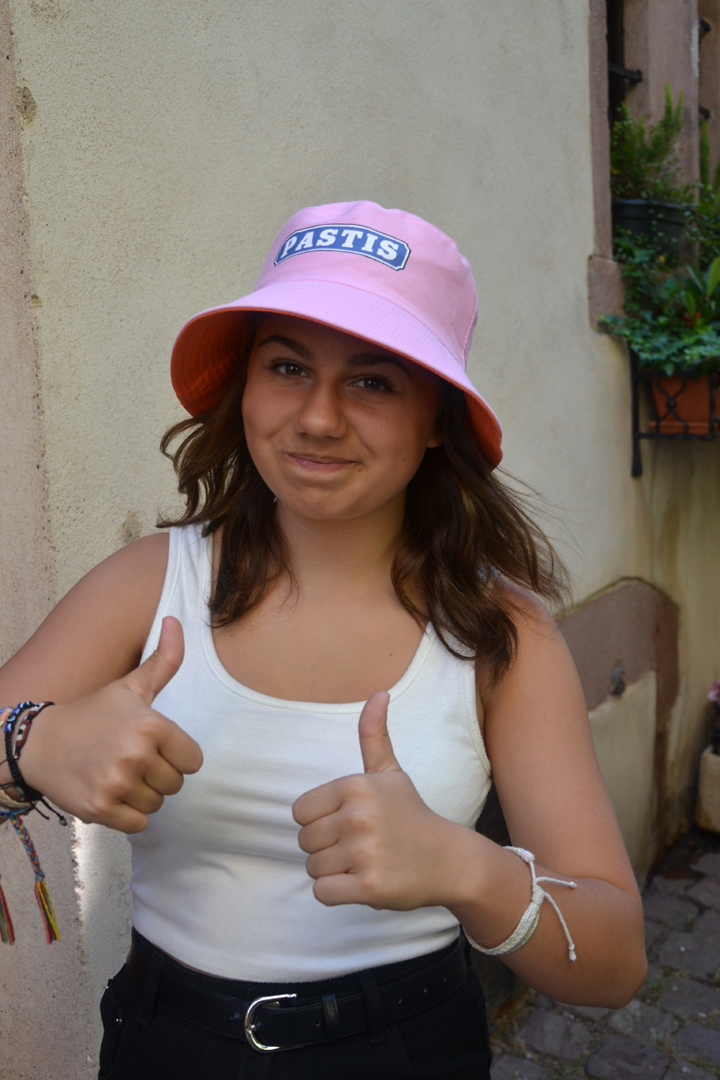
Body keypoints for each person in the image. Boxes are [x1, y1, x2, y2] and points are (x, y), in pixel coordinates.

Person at [0, 201, 646, 1079]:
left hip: (409, 1052)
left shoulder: (502, 634)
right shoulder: (150, 584)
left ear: (437, 420)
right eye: (288, 366)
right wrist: (31, 741)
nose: (317, 418)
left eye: (373, 382)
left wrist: (469, 869)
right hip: (165, 1047)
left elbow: (615, 964)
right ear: (246, 386)